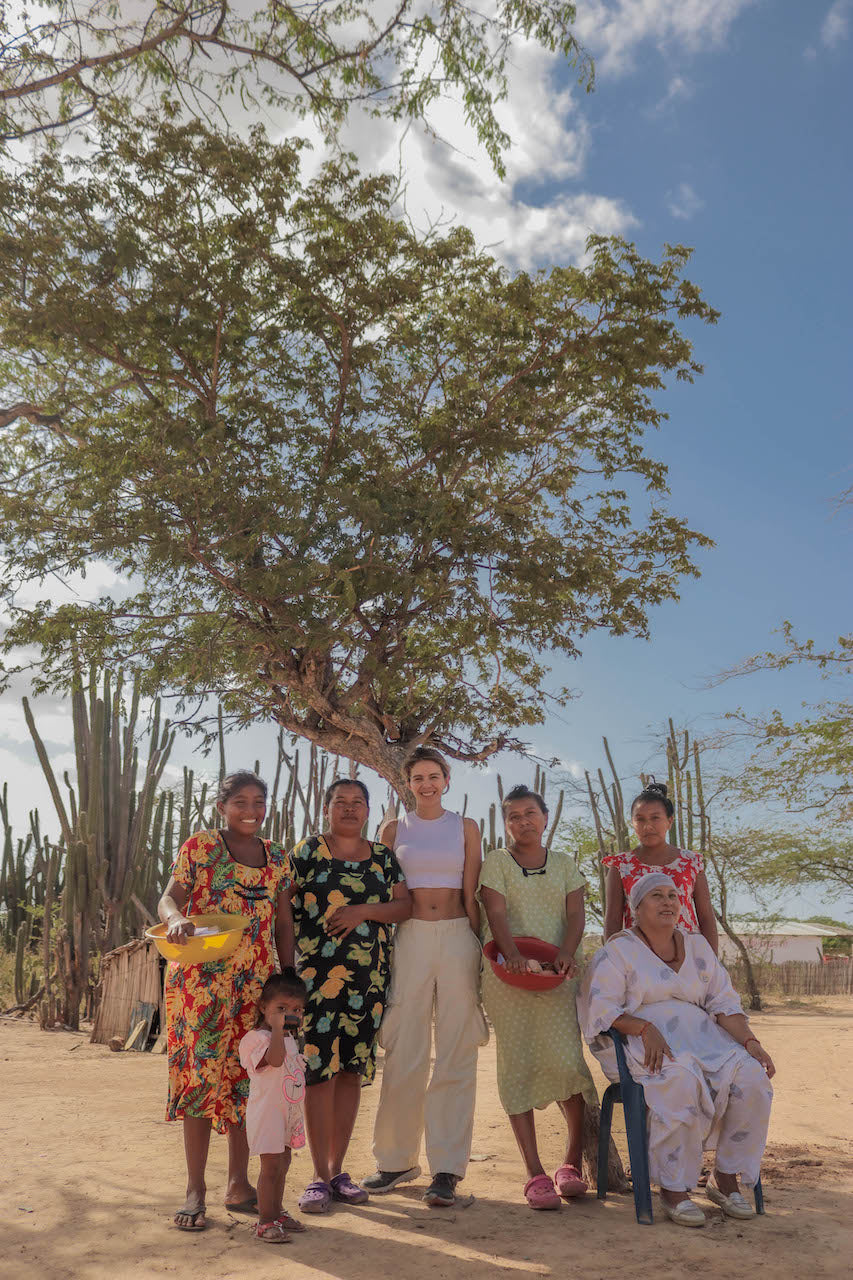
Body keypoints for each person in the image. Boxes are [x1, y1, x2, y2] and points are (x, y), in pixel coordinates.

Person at [578, 872, 775, 1227]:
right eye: (656, 896)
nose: (667, 902)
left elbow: (724, 1004)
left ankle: (725, 1178)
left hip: (705, 1039)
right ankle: (674, 1188)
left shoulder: (698, 947)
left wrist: (751, 1042)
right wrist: (642, 1026)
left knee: (752, 1078)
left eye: (672, 895)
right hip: (643, 1045)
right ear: (636, 908)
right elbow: (600, 1007)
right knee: (680, 1078)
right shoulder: (617, 951)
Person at [158, 770, 294, 1232]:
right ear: (221, 806)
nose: (250, 810)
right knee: (198, 1077)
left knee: (246, 1079)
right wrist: (175, 917)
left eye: (259, 801)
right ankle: (195, 1189)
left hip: (255, 985)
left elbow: (282, 922)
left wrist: (288, 980)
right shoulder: (200, 847)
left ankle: (239, 1184)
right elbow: (169, 898)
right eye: (240, 801)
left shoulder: (277, 856)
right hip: (200, 984)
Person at [365, 746, 488, 1208]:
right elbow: (385, 889)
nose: (427, 784)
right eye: (418, 778)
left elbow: (472, 891)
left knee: (457, 1050)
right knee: (404, 1047)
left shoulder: (467, 827)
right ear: (407, 783)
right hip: (411, 938)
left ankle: (446, 1168)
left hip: (457, 936)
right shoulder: (394, 830)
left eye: (434, 776)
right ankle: (396, 1161)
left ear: (447, 779)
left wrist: (478, 949)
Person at [288, 778, 411, 1214]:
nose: (349, 809)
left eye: (358, 803)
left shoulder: (382, 857)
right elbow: (283, 905)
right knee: (318, 1073)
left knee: (350, 1071)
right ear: (326, 809)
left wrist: (363, 910)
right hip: (317, 980)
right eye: (340, 802)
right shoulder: (306, 853)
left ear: (368, 811)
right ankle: (317, 1176)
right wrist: (287, 967)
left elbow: (404, 906)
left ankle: (338, 1171)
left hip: (369, 981)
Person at [478, 785, 597, 1210]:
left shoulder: (565, 864)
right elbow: (495, 913)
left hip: (558, 976)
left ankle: (570, 1165)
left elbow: (576, 914)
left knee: (568, 1062)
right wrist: (512, 954)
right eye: (514, 816)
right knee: (519, 1064)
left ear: (546, 817)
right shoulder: (497, 862)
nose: (523, 821)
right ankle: (534, 1172)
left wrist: (566, 953)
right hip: (508, 977)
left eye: (531, 813)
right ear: (505, 823)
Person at [603, 781, 718, 951]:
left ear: (669, 821)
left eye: (655, 818)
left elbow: (706, 916)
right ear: (632, 824)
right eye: (640, 819)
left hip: (688, 957)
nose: (648, 826)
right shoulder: (621, 866)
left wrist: (712, 963)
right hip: (638, 958)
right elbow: (612, 920)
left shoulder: (691, 862)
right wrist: (614, 961)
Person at [238, 969, 308, 1243]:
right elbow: (275, 1061)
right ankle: (264, 1221)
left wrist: (283, 1031)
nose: (289, 1013)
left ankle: (276, 1211)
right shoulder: (255, 1039)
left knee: (284, 1163)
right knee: (270, 1168)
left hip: (287, 1115)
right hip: (267, 1115)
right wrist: (278, 1029)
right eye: (281, 1008)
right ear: (263, 1007)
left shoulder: (289, 1038)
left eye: (296, 1009)